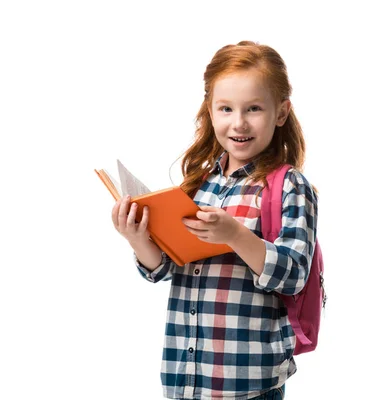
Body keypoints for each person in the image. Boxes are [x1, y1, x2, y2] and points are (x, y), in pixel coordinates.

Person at [111, 41, 318, 400]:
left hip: (247, 383)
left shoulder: (288, 185)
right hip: (185, 377)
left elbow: (294, 274)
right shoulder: (199, 185)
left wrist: (235, 234)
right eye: (226, 108)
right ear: (210, 110)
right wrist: (138, 238)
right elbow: (164, 268)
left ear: (281, 112)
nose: (238, 123)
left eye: (254, 108)